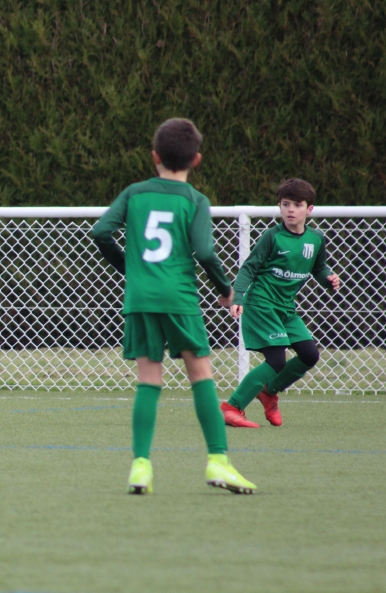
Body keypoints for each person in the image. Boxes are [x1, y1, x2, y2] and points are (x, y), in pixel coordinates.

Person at [91, 118, 256, 494]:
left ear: (154, 156)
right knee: (201, 376)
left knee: (148, 380)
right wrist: (226, 289)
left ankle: (140, 466)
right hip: (179, 298)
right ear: (196, 160)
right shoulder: (195, 200)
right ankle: (218, 461)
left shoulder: (134, 193)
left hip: (140, 299)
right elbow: (205, 252)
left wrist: (131, 269)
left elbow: (101, 232)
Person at [221, 179, 341, 427]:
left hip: (286, 307)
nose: (290, 210)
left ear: (309, 209)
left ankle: (269, 391)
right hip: (261, 304)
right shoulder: (272, 236)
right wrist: (238, 296)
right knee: (277, 360)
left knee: (309, 355)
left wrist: (328, 279)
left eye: (297, 205)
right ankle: (232, 407)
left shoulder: (316, 239)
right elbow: (248, 268)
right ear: (279, 207)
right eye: (286, 204)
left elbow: (319, 268)